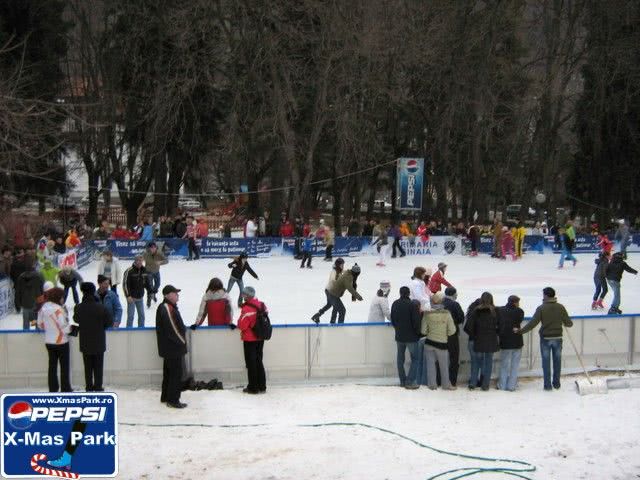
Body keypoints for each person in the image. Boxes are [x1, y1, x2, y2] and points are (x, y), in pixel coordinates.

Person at [518, 287, 573, 390]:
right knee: (557, 361)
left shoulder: (541, 308)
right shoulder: (560, 307)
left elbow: (532, 323)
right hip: (558, 338)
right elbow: (569, 323)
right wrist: (565, 321)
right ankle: (556, 383)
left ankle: (547, 385)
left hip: (546, 338)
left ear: (546, 295)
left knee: (546, 362)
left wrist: (521, 331)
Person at [73, 282, 113, 391]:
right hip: (99, 340)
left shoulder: (79, 307)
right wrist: (101, 327)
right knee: (98, 366)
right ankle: (98, 386)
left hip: (85, 341)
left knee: (88, 367)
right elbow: (109, 322)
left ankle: (89, 386)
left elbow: (76, 319)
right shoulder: (101, 307)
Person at [156, 285, 188, 408]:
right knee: (175, 374)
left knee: (169, 373)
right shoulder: (167, 307)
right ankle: (173, 400)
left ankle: (166, 396)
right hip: (173, 348)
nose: (177, 295)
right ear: (168, 295)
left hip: (169, 347)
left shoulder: (167, 307)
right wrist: (182, 342)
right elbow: (173, 329)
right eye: (175, 293)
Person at [37, 287, 72, 392]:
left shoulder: (43, 308)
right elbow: (64, 327)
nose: (63, 299)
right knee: (64, 366)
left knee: (52, 366)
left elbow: (40, 324)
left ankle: (53, 388)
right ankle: (65, 388)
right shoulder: (58, 310)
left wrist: (49, 329)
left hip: (49, 341)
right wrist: (71, 328)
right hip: (61, 342)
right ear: (57, 297)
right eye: (62, 297)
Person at [465, 292, 499, 391]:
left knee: (476, 362)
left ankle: (473, 383)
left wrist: (475, 335)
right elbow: (499, 325)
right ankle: (485, 385)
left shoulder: (476, 311)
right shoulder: (495, 311)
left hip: (478, 340)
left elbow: (468, 327)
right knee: (488, 363)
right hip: (490, 341)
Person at [422, 292, 457, 390]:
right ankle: (446, 385)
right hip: (442, 344)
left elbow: (423, 330)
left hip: (429, 343)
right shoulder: (447, 314)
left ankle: (432, 385)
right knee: (444, 366)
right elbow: (452, 331)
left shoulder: (427, 314)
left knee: (430, 365)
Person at [390, 286, 422, 389]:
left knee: (400, 359)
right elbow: (416, 322)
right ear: (408, 294)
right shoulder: (412, 305)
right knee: (415, 359)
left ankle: (403, 381)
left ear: (400, 293)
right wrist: (418, 334)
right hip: (411, 338)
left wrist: (398, 330)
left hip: (399, 337)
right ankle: (410, 381)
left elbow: (393, 319)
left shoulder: (395, 304)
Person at [237, 286, 267, 394]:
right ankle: (262, 386)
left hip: (250, 339)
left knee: (251, 363)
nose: (242, 296)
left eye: (243, 294)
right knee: (259, 361)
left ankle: (253, 387)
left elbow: (242, 325)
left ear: (246, 296)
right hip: (260, 337)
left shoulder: (247, 309)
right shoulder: (262, 305)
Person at [497, 295, 524, 391]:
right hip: (517, 341)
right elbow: (519, 320)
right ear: (515, 302)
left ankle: (502, 385)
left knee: (504, 364)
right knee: (515, 365)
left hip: (505, 341)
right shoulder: (520, 311)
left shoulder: (500, 310)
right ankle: (512, 386)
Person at [442, 287, 465, 387]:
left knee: (439, 358)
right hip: (452, 334)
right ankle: (452, 381)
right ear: (454, 294)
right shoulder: (455, 304)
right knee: (454, 358)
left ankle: (439, 379)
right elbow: (461, 318)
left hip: (439, 334)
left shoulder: (439, 303)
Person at [311, 258, 344, 323]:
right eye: (342, 265)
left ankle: (317, 315)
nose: (343, 266)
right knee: (337, 306)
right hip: (331, 292)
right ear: (338, 265)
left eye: (343, 265)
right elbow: (332, 280)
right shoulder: (334, 271)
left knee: (330, 304)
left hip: (329, 290)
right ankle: (333, 323)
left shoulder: (339, 271)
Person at [15, 261, 45, 329]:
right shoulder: (39, 275)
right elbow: (43, 289)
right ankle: (36, 335)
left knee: (26, 322)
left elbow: (18, 292)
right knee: (36, 321)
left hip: (25, 303)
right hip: (37, 302)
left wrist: (18, 304)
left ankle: (25, 336)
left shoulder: (21, 277)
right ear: (34, 266)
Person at [123, 255, 148, 327]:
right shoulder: (129, 271)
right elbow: (125, 284)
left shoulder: (144, 270)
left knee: (142, 316)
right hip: (131, 298)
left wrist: (150, 291)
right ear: (135, 261)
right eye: (138, 261)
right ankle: (129, 331)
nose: (140, 262)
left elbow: (146, 282)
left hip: (140, 297)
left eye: (141, 261)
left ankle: (141, 330)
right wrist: (128, 296)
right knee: (131, 316)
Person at [143, 242, 168, 308]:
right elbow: (140, 260)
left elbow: (166, 260)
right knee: (150, 287)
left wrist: (161, 262)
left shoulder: (159, 253)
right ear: (149, 248)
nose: (153, 249)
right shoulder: (146, 254)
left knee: (157, 284)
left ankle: (153, 294)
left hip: (156, 271)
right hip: (148, 272)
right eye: (152, 248)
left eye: (154, 247)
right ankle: (149, 300)